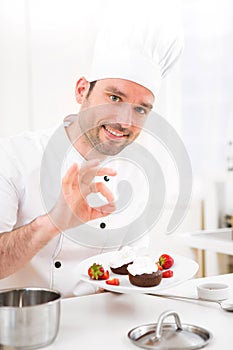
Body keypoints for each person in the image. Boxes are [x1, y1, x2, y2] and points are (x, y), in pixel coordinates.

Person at [0, 1, 183, 297]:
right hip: (27, 326)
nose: (124, 120)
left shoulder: (138, 175)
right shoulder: (14, 157)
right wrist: (54, 221)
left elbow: (128, 269)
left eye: (140, 109)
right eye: (114, 98)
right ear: (82, 90)